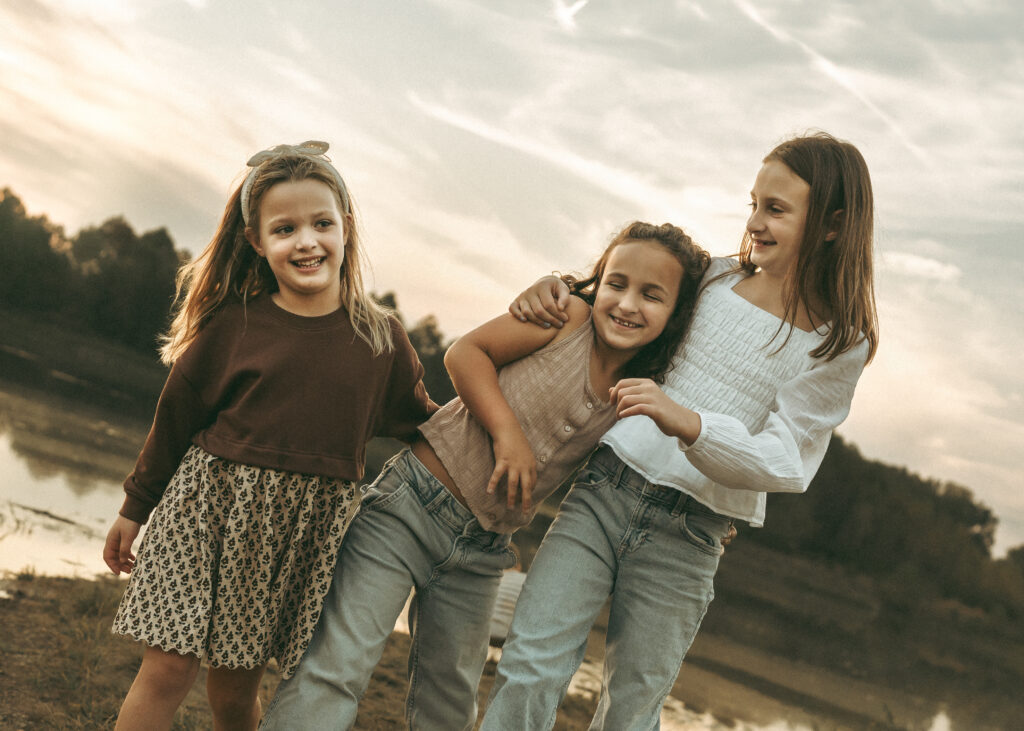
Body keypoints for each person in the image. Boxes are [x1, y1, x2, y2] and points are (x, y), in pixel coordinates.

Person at [480, 131, 879, 730]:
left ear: (832, 225)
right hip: (604, 494)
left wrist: (689, 423)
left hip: (690, 535)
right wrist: (555, 287)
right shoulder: (712, 278)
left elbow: (786, 462)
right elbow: (616, 304)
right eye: (754, 204)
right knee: (533, 664)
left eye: (776, 209)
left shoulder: (839, 344)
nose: (756, 222)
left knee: (633, 705)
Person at [259, 222, 711, 731]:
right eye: (617, 283)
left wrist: (721, 501)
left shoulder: (641, 390)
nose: (628, 304)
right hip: (406, 508)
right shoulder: (567, 317)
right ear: (597, 282)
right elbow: (465, 353)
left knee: (450, 702)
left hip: (481, 553)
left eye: (652, 295)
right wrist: (506, 433)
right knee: (338, 667)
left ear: (675, 316)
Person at [102, 141, 436, 731]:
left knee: (233, 693)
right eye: (285, 229)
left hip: (294, 535)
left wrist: (505, 442)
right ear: (257, 242)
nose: (306, 241)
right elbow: (174, 419)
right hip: (203, 511)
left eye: (321, 224)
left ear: (347, 226)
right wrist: (135, 506)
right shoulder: (235, 323)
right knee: (166, 673)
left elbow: (428, 427)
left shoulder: (381, 340)